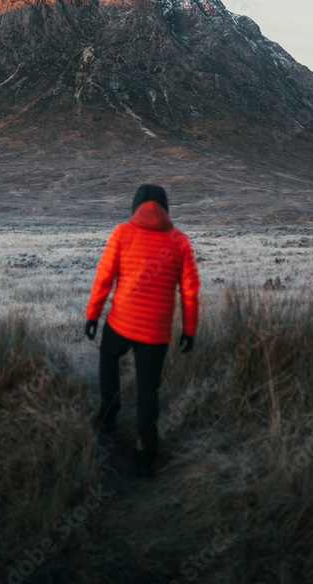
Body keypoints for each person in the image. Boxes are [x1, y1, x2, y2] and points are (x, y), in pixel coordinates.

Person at [84, 184, 200, 476]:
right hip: (156, 334)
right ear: (166, 208)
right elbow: (190, 291)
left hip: (121, 323)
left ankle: (109, 416)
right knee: (149, 388)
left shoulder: (122, 233)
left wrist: (93, 316)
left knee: (109, 358)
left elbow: (104, 277)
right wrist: (189, 330)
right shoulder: (180, 241)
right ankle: (145, 454)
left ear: (135, 206)